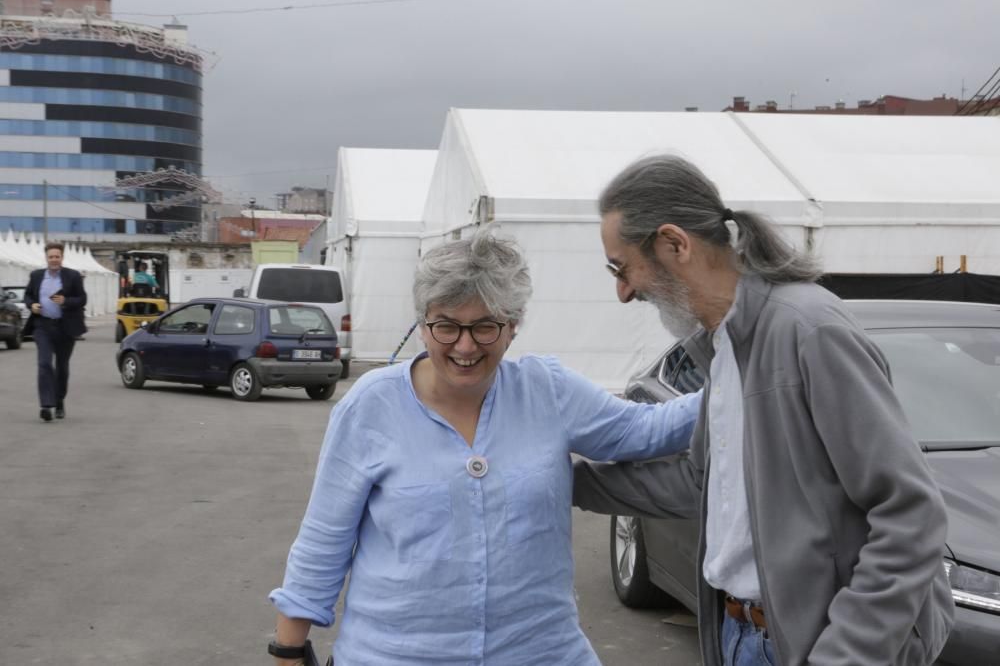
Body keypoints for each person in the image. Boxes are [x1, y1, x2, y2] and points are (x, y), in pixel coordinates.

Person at [573, 154, 955, 666]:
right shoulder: (726, 346)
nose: (623, 291)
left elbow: (910, 512)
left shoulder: (808, 331)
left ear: (674, 244)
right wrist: (566, 478)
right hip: (742, 636)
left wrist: (847, 654)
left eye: (621, 268)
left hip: (814, 646)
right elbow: (700, 484)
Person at [269, 232, 703, 665]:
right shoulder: (372, 406)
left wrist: (742, 381)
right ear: (422, 325)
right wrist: (288, 650)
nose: (464, 345)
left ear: (512, 326)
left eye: (484, 326)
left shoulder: (547, 390)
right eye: (447, 325)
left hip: (540, 652)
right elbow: (324, 539)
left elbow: (646, 431)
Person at [23, 241, 88, 422]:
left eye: (57, 256)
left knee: (62, 368)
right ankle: (46, 405)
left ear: (62, 257)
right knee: (44, 364)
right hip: (42, 326)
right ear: (46, 257)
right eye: (51, 257)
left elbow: (82, 299)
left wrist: (66, 300)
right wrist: (32, 305)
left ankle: (59, 400)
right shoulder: (36, 276)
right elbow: (28, 295)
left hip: (65, 327)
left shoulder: (72, 276)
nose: (54, 260)